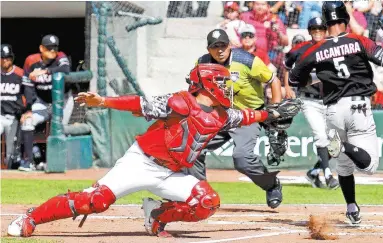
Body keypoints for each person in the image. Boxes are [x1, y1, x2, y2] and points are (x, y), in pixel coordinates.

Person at [7, 63, 300, 238]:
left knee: (207, 202)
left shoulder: (223, 114)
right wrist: (104, 101)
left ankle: (157, 216)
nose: (226, 86)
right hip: (141, 162)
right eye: (222, 81)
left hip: (172, 173)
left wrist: (272, 114)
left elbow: (249, 116)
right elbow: (141, 104)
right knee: (94, 201)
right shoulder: (181, 102)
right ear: (208, 84)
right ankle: (31, 219)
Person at [289, 2, 383, 224]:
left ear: (325, 21)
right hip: (359, 107)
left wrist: (320, 75)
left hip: (332, 111)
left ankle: (351, 207)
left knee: (344, 167)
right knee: (369, 166)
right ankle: (344, 147)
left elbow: (293, 79)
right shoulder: (357, 40)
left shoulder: (315, 49)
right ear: (345, 19)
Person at [185, 28, 288, 209]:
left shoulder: (247, 60)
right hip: (219, 114)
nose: (219, 50)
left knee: (242, 158)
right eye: (214, 46)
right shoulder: (201, 63)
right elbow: (193, 90)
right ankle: (201, 194)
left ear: (230, 45)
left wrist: (274, 109)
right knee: (193, 147)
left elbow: (274, 80)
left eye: (223, 45)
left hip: (247, 116)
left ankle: (271, 185)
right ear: (208, 49)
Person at [284, 18, 339, 190]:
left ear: (326, 30)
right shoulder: (300, 49)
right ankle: (328, 176)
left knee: (338, 142)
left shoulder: (334, 47)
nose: (317, 31)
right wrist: (287, 87)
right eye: (313, 28)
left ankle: (314, 172)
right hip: (309, 100)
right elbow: (286, 65)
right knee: (321, 136)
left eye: (320, 28)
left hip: (331, 100)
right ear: (309, 31)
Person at [19, 34, 72, 171]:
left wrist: (46, 71)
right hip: (42, 102)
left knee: (61, 130)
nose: (52, 51)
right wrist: (28, 109)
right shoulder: (31, 61)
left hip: (63, 101)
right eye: (49, 48)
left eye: (54, 48)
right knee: (27, 121)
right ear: (41, 48)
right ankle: (29, 162)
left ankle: (59, 164)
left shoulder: (61, 56)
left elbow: (66, 69)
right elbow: (28, 87)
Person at [1, 44, 27, 169]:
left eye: (7, 58)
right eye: (2, 58)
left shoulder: (20, 74)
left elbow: (27, 95)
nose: (5, 60)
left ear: (12, 58)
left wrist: (23, 111)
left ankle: (9, 170)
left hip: (13, 117)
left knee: (11, 149)